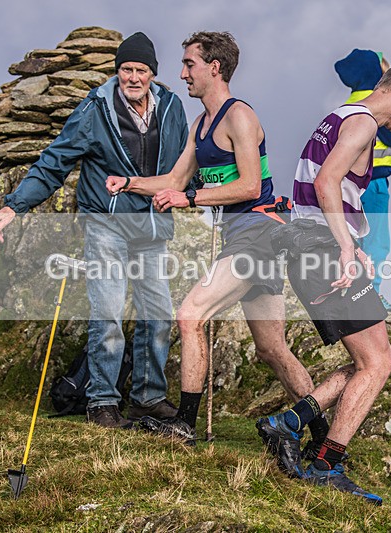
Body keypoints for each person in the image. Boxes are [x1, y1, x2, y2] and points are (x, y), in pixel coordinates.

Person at [107, 32, 326, 462]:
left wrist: (189, 198)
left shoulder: (239, 117)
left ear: (215, 68)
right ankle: (322, 435)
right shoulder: (200, 124)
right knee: (271, 349)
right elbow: (174, 179)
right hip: (245, 236)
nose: (181, 72)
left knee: (191, 315)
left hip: (258, 233)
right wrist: (128, 182)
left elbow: (247, 185)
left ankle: (184, 426)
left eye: (189, 64)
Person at [0, 32, 188, 429]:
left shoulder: (173, 108)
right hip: (106, 224)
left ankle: (147, 399)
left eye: (141, 70)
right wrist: (13, 208)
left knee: (158, 314)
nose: (132, 77)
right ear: (117, 71)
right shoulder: (95, 108)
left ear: (152, 74)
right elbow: (54, 162)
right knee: (108, 312)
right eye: (126, 68)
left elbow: (184, 165)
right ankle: (103, 402)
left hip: (153, 225)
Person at [258, 62, 391, 504]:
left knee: (367, 362)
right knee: (379, 362)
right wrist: (344, 247)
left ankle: (290, 424)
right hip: (321, 248)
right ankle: (326, 464)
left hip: (311, 245)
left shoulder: (340, 116)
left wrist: (352, 245)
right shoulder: (363, 123)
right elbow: (326, 183)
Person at [335, 49, 391, 316]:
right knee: (376, 243)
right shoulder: (377, 105)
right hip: (373, 186)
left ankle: (350, 293)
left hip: (347, 186)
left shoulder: (350, 104)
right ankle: (370, 297)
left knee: (353, 242)